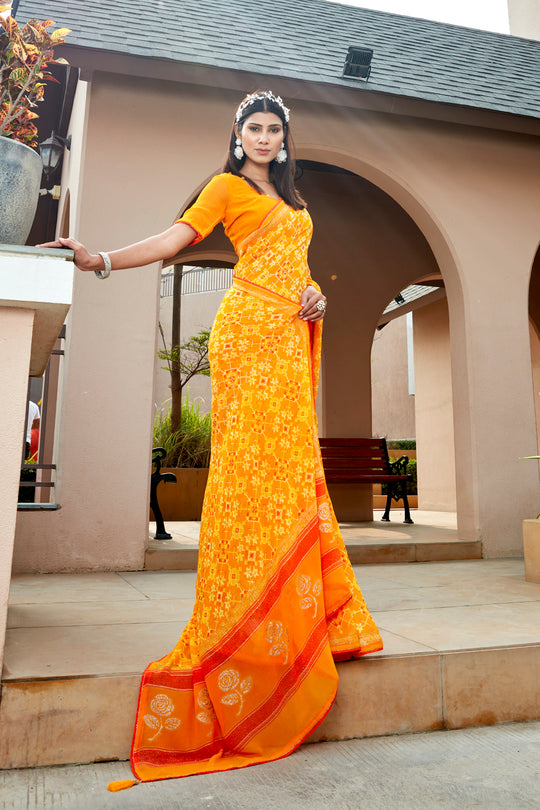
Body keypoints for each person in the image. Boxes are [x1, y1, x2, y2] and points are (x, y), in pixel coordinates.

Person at [40, 90, 383, 788]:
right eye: (254, 127)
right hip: (247, 336)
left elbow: (296, 270)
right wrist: (99, 259)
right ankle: (243, 619)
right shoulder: (224, 188)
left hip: (286, 336)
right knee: (247, 473)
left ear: (284, 138)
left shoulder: (294, 201)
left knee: (287, 468)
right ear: (238, 134)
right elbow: (174, 240)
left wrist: (314, 295)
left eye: (274, 128)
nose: (264, 137)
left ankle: (295, 618)